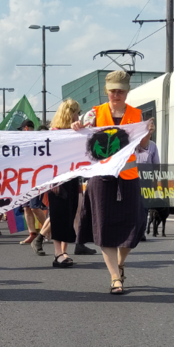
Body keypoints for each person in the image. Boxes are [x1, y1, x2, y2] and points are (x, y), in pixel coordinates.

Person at [71, 70, 147, 295]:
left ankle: (120, 264)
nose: (117, 95)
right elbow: (80, 137)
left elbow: (142, 146)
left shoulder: (136, 114)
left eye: (121, 91)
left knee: (133, 227)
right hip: (101, 177)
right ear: (106, 91)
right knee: (103, 226)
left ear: (127, 92)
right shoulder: (93, 114)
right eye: (113, 91)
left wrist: (147, 132)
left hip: (129, 176)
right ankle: (115, 277)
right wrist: (77, 127)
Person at [43, 99, 82, 267]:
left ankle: (63, 252)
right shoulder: (54, 133)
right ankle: (58, 253)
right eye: (76, 112)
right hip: (58, 180)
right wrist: (54, 182)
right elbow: (50, 160)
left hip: (72, 178)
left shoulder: (74, 131)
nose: (78, 115)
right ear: (70, 113)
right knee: (58, 216)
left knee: (69, 214)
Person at [19, 119, 48, 255]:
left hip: (37, 178)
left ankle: (47, 231)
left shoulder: (38, 141)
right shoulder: (23, 143)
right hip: (25, 179)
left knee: (35, 206)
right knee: (26, 207)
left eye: (24, 129)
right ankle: (33, 233)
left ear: (26, 128)